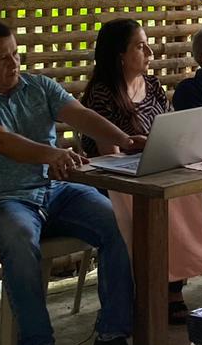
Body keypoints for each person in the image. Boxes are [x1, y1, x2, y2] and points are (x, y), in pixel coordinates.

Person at [0, 19, 148, 345]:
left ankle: (111, 336)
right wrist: (50, 154)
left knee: (116, 219)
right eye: (3, 58)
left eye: (16, 54)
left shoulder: (38, 86)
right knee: (21, 241)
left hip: (54, 191)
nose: (14, 64)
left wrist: (126, 139)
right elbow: (1, 141)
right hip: (4, 200)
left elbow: (81, 115)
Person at [79, 18, 190, 325]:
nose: (149, 53)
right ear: (120, 55)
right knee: (166, 206)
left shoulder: (152, 85)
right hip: (115, 181)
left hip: (156, 170)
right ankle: (160, 291)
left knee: (189, 200)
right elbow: (109, 155)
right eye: (140, 47)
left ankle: (172, 283)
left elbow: (171, 129)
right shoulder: (102, 94)